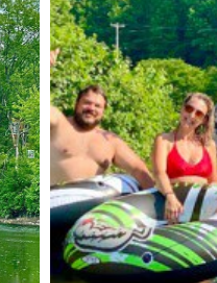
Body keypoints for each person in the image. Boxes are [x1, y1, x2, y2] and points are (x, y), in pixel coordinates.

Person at [49, 49, 156, 188]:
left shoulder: (110, 141)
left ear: (103, 111)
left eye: (97, 106)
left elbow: (138, 170)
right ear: (76, 104)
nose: (91, 108)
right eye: (87, 103)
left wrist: (159, 198)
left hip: (90, 206)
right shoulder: (58, 122)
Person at [151, 93, 217, 223]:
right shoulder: (164, 140)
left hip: (202, 208)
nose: (192, 115)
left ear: (204, 120)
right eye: (189, 109)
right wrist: (170, 197)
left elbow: (214, 181)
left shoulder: (209, 145)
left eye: (199, 113)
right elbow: (159, 173)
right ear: (182, 108)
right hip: (172, 206)